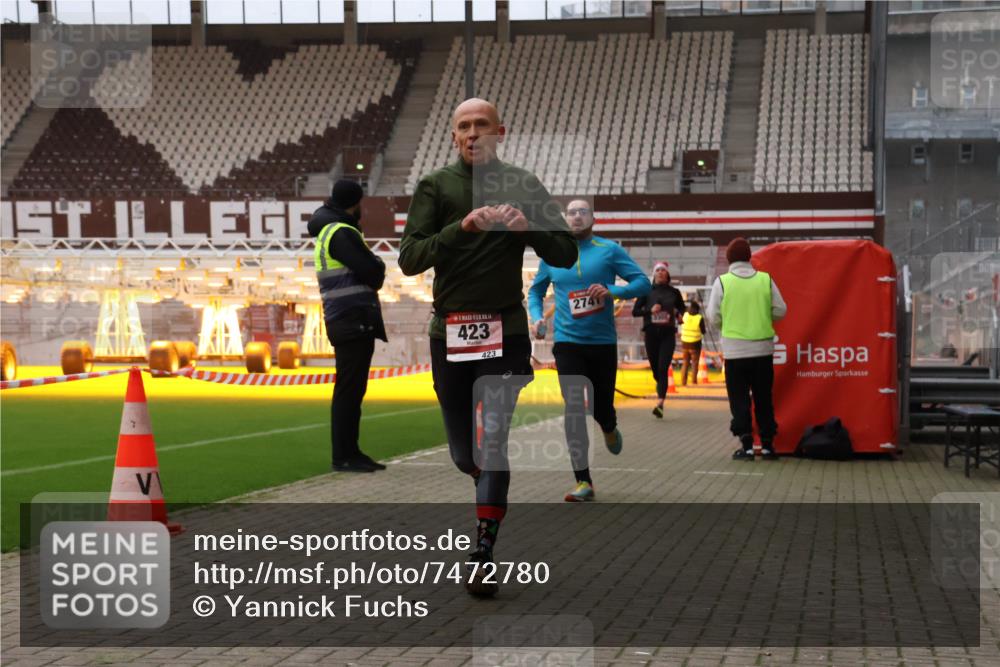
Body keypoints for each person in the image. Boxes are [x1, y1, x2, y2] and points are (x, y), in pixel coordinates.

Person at [399, 98, 577, 596]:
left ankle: (482, 552)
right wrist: (462, 228)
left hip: (506, 332)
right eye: (464, 126)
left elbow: (565, 253)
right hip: (450, 334)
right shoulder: (436, 186)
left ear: (500, 131)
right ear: (453, 136)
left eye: (482, 125)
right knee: (465, 454)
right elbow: (410, 258)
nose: (473, 133)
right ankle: (487, 483)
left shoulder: (523, 183)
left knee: (493, 439)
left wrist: (529, 228)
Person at [528, 199, 650, 502]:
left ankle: (609, 426)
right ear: (564, 219)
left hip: (602, 343)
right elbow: (536, 291)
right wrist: (536, 317)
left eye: (583, 211)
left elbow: (642, 283)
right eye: (571, 212)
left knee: (601, 408)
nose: (577, 216)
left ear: (593, 219)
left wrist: (613, 291)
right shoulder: (552, 255)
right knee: (574, 408)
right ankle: (583, 480)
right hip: (567, 343)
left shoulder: (609, 250)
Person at [307, 179, 387, 473]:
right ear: (356, 203)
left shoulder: (328, 230)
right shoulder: (341, 232)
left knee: (351, 390)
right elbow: (373, 274)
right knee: (349, 391)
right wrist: (378, 263)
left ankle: (350, 452)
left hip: (345, 318)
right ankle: (344, 455)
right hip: (352, 319)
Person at [707, 237, 787, 461]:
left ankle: (747, 446)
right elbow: (781, 310)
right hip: (762, 351)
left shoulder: (722, 282)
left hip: (735, 352)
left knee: (739, 399)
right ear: (749, 257)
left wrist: (728, 324)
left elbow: (713, 316)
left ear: (729, 258)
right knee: (763, 398)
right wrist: (763, 317)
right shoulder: (765, 279)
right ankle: (768, 445)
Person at [632, 263, 685, 418]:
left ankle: (660, 403)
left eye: (663, 270)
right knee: (656, 370)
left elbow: (682, 308)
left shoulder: (674, 292)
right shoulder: (646, 291)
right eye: (658, 270)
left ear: (667, 275)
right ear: (654, 274)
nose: (661, 272)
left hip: (668, 334)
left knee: (663, 368)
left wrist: (679, 314)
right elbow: (635, 312)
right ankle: (661, 386)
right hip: (651, 334)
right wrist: (650, 310)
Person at [679, 301, 706, 386]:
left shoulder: (685, 315)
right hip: (695, 344)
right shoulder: (699, 318)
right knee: (695, 363)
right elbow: (703, 331)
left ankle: (683, 382)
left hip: (684, 343)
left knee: (685, 363)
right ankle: (694, 382)